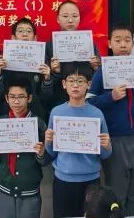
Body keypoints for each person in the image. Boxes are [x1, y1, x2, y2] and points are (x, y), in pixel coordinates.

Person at [89, 25, 134, 216]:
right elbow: (89, 102)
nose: (123, 45)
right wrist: (111, 97)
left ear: (133, 44)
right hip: (115, 140)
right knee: (116, 196)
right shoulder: (103, 71)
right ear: (109, 43)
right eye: (118, 40)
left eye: (127, 40)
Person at [46, 63, 111, 218]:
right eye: (71, 81)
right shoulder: (56, 112)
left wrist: (106, 146)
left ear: (89, 84)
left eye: (80, 81)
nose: (75, 85)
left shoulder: (96, 114)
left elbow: (105, 155)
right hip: (63, 180)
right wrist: (48, 141)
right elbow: (51, 152)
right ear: (64, 84)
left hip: (91, 181)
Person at [0, 77, 49, 218]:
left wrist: (41, 153)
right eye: (12, 97)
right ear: (6, 98)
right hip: (5, 188)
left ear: (29, 98)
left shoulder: (39, 125)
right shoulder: (0, 124)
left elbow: (45, 160)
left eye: (21, 97)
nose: (16, 101)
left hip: (29, 190)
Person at [0, 18, 53, 118]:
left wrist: (47, 79)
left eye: (29, 31)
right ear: (13, 37)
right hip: (8, 116)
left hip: (35, 115)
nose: (25, 34)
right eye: (20, 31)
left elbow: (46, 97)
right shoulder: (3, 61)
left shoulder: (42, 63)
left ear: (35, 38)